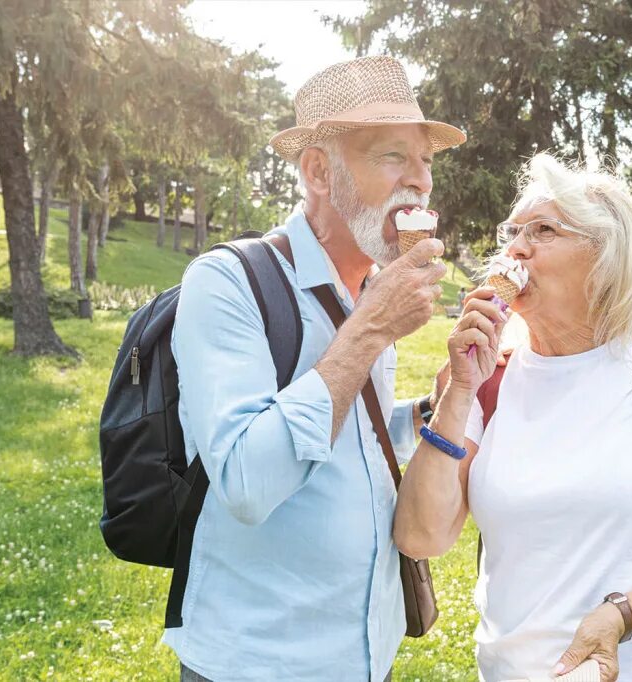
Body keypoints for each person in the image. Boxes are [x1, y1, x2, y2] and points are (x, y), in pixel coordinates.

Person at [394, 154, 632, 682]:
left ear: (606, 256)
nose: (515, 248)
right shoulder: (486, 382)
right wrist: (457, 392)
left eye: (543, 230)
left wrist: (620, 614)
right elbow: (419, 536)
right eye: (513, 231)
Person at [165, 56, 465, 682]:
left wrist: (428, 409)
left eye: (426, 161)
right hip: (260, 660)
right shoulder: (228, 282)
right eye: (392, 157)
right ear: (318, 170)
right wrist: (372, 329)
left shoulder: (370, 289)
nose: (420, 183)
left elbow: (355, 431)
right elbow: (246, 481)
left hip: (366, 654)